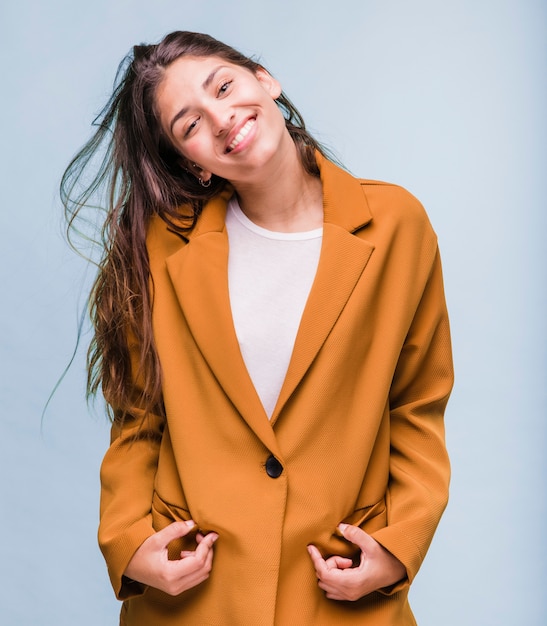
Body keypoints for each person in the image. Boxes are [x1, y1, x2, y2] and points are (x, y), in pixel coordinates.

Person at [61, 30, 453, 626]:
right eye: (189, 125)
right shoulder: (160, 248)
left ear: (264, 79)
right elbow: (137, 416)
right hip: (195, 595)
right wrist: (128, 538)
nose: (221, 119)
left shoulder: (398, 225)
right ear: (189, 162)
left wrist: (399, 546)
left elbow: (418, 404)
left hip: (340, 590)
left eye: (225, 86)